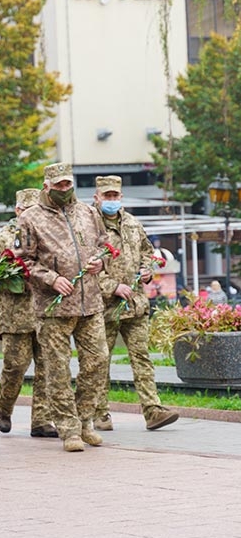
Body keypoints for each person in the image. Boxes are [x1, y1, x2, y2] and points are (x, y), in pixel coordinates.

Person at [14, 162, 110, 453]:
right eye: (59, 185)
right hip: (53, 308)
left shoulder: (89, 213)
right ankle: (68, 429)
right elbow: (23, 260)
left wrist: (101, 261)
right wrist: (51, 278)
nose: (64, 189)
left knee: (99, 360)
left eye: (68, 184)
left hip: (90, 302)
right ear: (47, 186)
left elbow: (106, 245)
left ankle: (84, 420)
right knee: (57, 369)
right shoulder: (30, 218)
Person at [93, 176, 180, 432]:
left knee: (142, 358)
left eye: (115, 196)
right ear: (97, 197)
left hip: (136, 304)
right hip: (104, 306)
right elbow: (83, 264)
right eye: (107, 196)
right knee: (100, 361)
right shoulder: (88, 225)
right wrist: (111, 286)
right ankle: (100, 413)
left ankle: (152, 410)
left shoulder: (132, 222)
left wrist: (147, 270)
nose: (112, 200)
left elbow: (147, 252)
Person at [0, 188, 57, 438]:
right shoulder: (4, 239)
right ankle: (4, 408)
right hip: (15, 315)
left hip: (45, 312)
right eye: (26, 210)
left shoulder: (48, 235)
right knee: (15, 366)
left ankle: (41, 419)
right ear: (17, 211)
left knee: (46, 367)